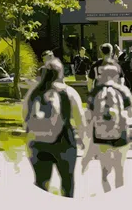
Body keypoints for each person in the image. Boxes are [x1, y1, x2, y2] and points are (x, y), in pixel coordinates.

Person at [23, 57, 87, 198]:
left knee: (41, 184)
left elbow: (25, 117)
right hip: (64, 142)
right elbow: (80, 121)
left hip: (38, 144)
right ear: (61, 74)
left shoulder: (34, 92)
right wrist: (84, 141)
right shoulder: (69, 93)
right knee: (67, 182)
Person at [83, 58, 132, 193]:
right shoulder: (123, 91)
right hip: (120, 133)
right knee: (119, 170)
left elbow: (88, 116)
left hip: (101, 135)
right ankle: (119, 197)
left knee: (105, 172)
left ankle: (107, 193)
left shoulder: (95, 91)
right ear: (116, 76)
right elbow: (130, 114)